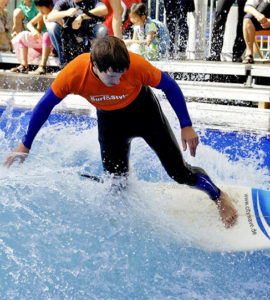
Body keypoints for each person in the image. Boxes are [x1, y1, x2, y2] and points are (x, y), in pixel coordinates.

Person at [3, 36, 238, 228]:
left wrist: (186, 125)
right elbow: (45, 105)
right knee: (116, 182)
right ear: (94, 66)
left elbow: (169, 86)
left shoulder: (136, 65)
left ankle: (218, 196)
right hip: (110, 123)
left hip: (146, 115)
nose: (118, 81)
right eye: (111, 76)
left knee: (179, 172)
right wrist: (26, 143)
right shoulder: (74, 73)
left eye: (121, 74)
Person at [46, 0, 108, 66]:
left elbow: (104, 10)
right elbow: (50, 17)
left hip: (89, 35)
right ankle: (64, 64)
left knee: (102, 29)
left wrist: (82, 17)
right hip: (70, 38)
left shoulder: (93, 1)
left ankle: (95, 62)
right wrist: (66, 13)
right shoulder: (64, 1)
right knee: (52, 27)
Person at [10, 0, 53, 75]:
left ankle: (42, 66)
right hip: (42, 44)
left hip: (52, 46)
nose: (40, 11)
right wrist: (33, 30)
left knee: (47, 34)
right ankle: (24, 65)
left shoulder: (55, 14)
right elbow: (29, 24)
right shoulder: (42, 14)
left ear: (50, 6)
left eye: (41, 9)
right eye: (39, 10)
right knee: (24, 35)